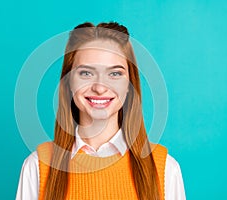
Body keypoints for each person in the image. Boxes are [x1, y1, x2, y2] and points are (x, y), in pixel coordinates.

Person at [16, 22, 186, 200]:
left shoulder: (165, 168)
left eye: (114, 74)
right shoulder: (37, 166)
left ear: (130, 85)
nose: (100, 87)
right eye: (86, 73)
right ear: (68, 83)